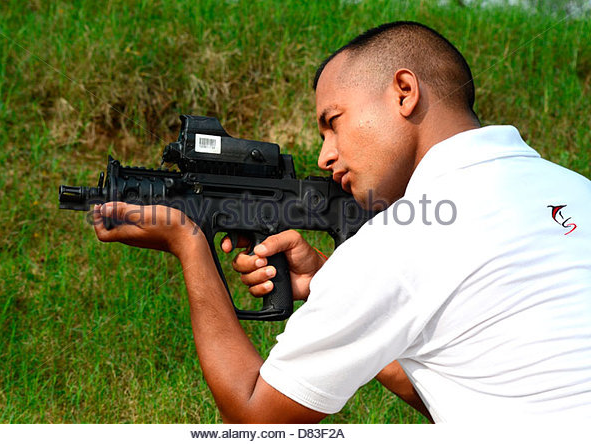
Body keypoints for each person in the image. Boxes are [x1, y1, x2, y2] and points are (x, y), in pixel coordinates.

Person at [92, 21, 591, 422]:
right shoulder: (576, 191)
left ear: (403, 92)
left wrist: (190, 242)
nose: (326, 156)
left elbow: (255, 419)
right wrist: (335, 283)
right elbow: (467, 391)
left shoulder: (396, 243)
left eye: (333, 122)